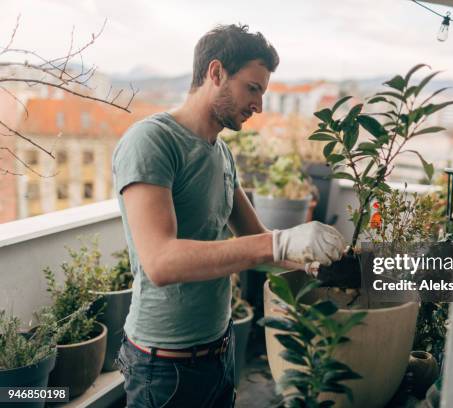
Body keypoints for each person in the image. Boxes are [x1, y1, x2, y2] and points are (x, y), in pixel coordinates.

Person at [112, 24, 346, 407]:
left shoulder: (220, 154)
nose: (259, 105)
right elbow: (161, 261)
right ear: (216, 73)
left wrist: (315, 262)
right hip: (163, 370)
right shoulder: (152, 141)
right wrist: (281, 241)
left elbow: (257, 238)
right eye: (252, 88)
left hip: (219, 353)